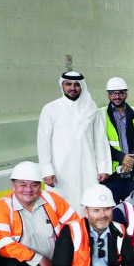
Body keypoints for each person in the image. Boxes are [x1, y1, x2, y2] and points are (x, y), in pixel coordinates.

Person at [37, 70, 109, 209]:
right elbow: (43, 142)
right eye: (68, 84)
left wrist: (103, 168)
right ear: (62, 86)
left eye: (76, 84)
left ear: (82, 86)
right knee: (60, 206)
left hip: (87, 169)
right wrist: (46, 171)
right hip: (60, 171)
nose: (72, 88)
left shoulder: (91, 107)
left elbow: (100, 140)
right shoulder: (51, 109)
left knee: (87, 204)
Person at [103, 76, 134, 203]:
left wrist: (131, 160)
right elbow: (100, 145)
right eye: (113, 93)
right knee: (111, 211)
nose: (116, 96)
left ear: (126, 95)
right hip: (112, 175)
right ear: (108, 95)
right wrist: (121, 157)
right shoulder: (101, 115)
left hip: (133, 173)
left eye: (120, 93)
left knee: (132, 211)